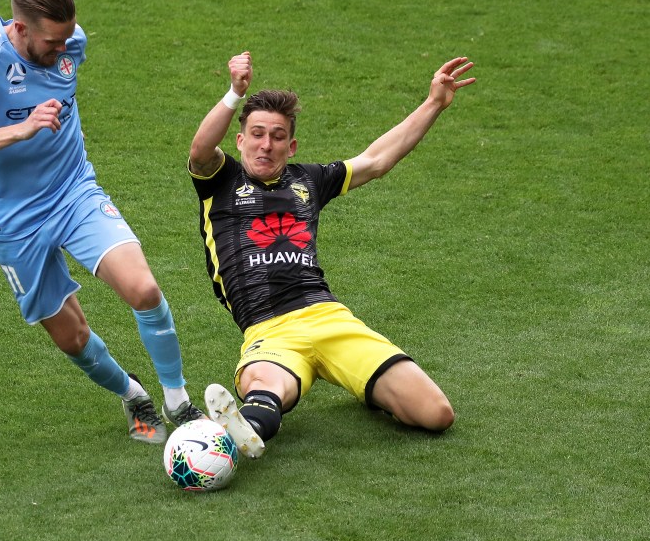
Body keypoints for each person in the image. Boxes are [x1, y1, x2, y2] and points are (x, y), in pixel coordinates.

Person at [0, 0, 204, 444]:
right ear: (20, 29)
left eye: (66, 39)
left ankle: (179, 403)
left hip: (73, 191)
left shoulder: (71, 41)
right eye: (50, 42)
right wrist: (21, 129)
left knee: (143, 288)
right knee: (71, 337)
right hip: (16, 219)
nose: (63, 50)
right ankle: (132, 394)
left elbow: (63, 55)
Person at [188, 51, 475, 458]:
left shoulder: (309, 179)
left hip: (330, 318)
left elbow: (376, 161)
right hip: (270, 330)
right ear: (240, 139)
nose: (265, 145)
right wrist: (235, 92)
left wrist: (433, 103)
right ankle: (237, 432)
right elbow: (200, 149)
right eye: (256, 134)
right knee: (266, 392)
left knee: (436, 414)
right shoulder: (222, 180)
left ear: (291, 145)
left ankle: (368, 386)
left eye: (276, 136)